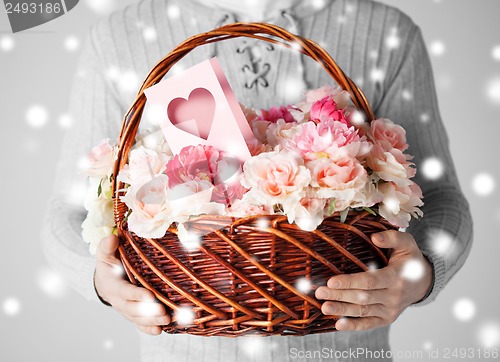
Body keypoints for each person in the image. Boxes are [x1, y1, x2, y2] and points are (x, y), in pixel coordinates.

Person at [41, 0, 473, 361]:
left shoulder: (383, 31)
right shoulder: (121, 36)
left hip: (345, 348)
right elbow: (66, 208)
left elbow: (440, 194)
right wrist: (99, 279)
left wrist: (421, 275)